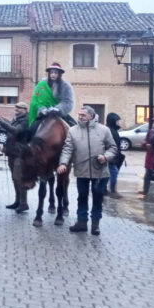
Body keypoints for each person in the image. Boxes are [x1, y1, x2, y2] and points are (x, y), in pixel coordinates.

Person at [57, 106, 117, 236]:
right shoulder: (73, 130)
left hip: (100, 172)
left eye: (83, 115)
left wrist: (105, 157)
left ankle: (95, 225)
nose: (80, 117)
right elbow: (67, 149)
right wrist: (63, 163)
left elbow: (112, 148)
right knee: (82, 197)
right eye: (79, 114)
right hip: (81, 170)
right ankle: (81, 223)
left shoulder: (104, 130)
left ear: (91, 116)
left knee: (97, 199)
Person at [29, 62, 76, 130]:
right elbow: (36, 100)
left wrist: (58, 109)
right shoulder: (41, 85)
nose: (53, 75)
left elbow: (67, 101)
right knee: (30, 129)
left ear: (59, 74)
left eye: (56, 73)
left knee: (73, 127)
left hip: (59, 113)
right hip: (43, 113)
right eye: (51, 72)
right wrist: (41, 109)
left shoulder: (66, 86)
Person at [105, 113, 125, 199]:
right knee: (114, 172)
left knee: (107, 174)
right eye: (117, 121)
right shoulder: (110, 131)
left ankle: (103, 189)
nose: (118, 123)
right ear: (113, 121)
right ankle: (113, 191)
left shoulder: (112, 130)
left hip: (112, 156)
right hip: (111, 157)